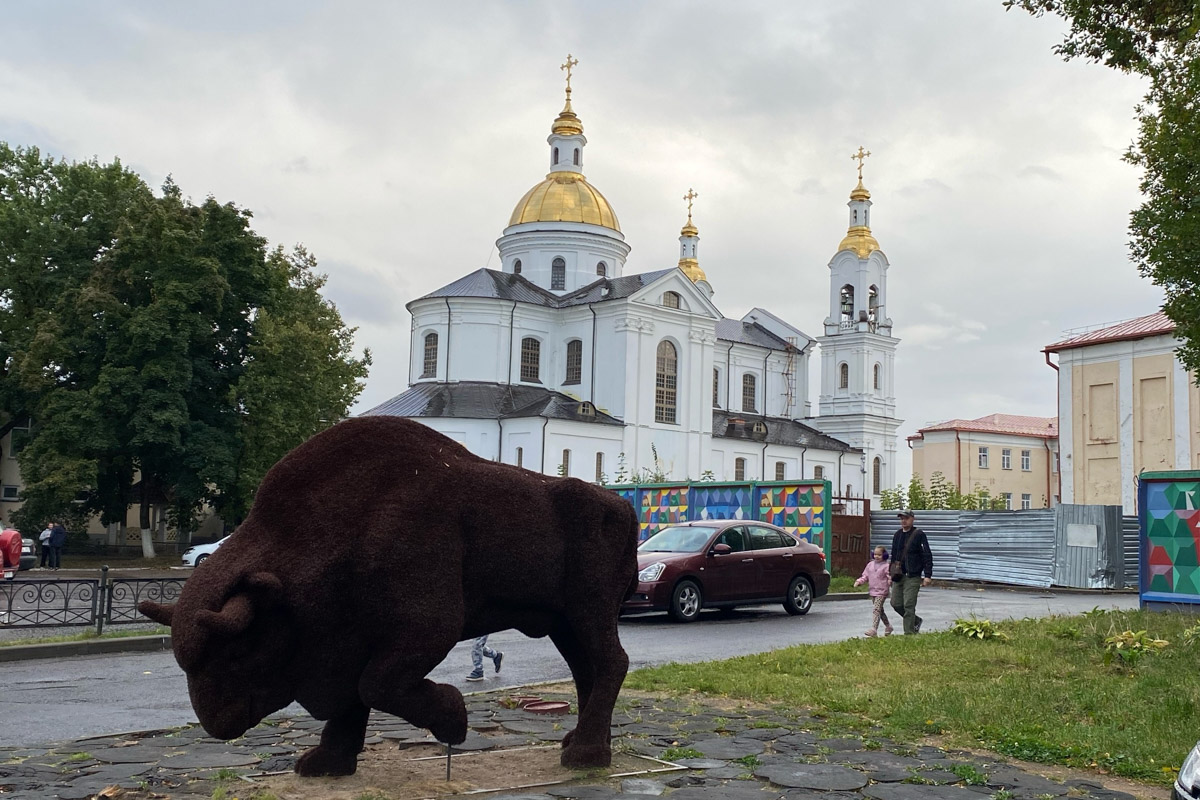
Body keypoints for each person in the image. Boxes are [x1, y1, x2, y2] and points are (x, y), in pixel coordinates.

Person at [889, 510, 933, 635]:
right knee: (896, 604)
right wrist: (890, 573)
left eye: (906, 518)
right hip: (898, 575)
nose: (903, 521)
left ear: (913, 519)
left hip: (912, 576)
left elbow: (927, 555)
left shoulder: (919, 534)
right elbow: (894, 555)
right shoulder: (897, 535)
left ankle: (909, 634)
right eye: (901, 518)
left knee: (908, 605)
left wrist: (927, 575)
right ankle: (916, 620)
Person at [854, 545, 894, 637]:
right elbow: (865, 576)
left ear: (884, 555)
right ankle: (888, 626)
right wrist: (859, 581)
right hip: (873, 591)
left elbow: (890, 577)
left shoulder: (886, 566)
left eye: (879, 555)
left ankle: (874, 629)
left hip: (882, 592)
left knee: (876, 609)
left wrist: (890, 582)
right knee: (880, 611)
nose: (876, 556)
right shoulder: (870, 565)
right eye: (875, 554)